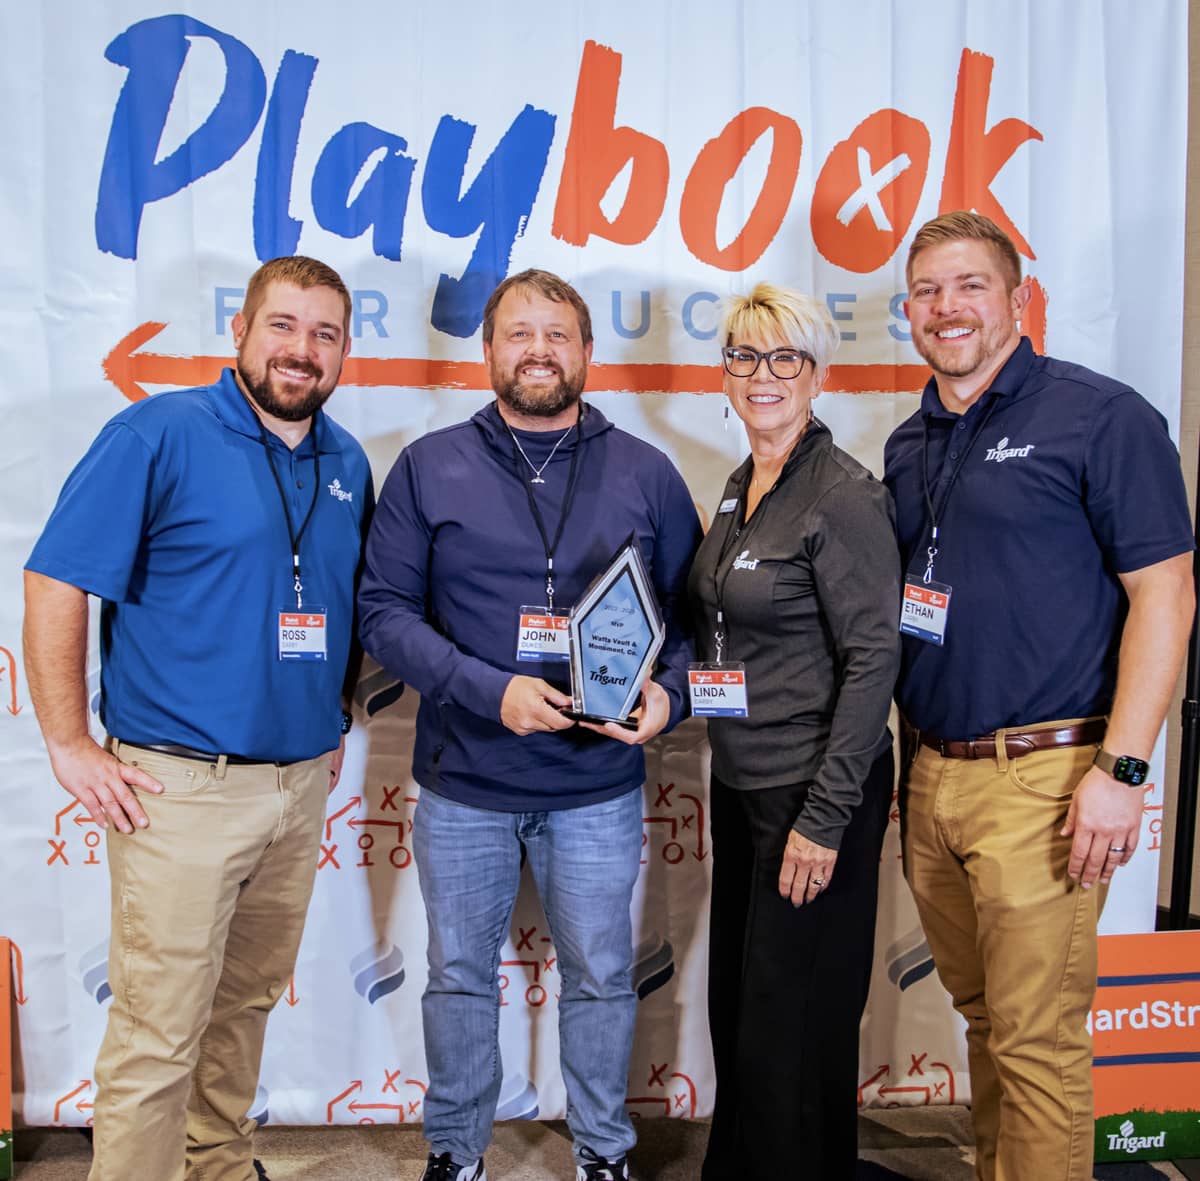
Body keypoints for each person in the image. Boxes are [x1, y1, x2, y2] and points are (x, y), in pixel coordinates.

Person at [23, 256, 374, 1181]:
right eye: (284, 326)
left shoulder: (347, 460)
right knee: (159, 1024)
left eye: (325, 333)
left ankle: (216, 1162)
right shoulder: (156, 433)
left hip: (297, 789)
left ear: (345, 351)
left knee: (244, 1003)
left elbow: (336, 601)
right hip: (177, 788)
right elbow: (56, 578)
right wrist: (66, 742)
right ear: (242, 333)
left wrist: (334, 717)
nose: (302, 350)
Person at [357, 269, 701, 1181]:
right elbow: (384, 611)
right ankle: (456, 1152)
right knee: (458, 975)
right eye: (519, 333)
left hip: (598, 787)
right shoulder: (429, 465)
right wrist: (485, 688)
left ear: (588, 352)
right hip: (465, 781)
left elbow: (697, 620)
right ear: (487, 351)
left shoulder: (647, 471)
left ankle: (604, 1149)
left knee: (598, 975)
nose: (539, 349)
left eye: (558, 333)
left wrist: (668, 693)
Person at [883, 211, 1195, 1181]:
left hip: (1050, 777)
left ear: (1020, 299)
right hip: (934, 774)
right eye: (929, 290)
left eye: (971, 284)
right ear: (908, 311)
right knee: (986, 1022)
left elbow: (1167, 593)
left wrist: (1124, 768)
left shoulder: (1102, 417)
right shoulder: (909, 440)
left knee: (1038, 1041)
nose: (949, 307)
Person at [686, 283, 900, 1178]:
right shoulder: (744, 483)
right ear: (725, 371)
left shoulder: (841, 494)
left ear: (818, 375)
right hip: (740, 782)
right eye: (745, 356)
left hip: (814, 792)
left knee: (791, 1015)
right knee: (742, 1005)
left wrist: (824, 815)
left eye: (784, 358)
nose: (762, 375)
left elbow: (873, 661)